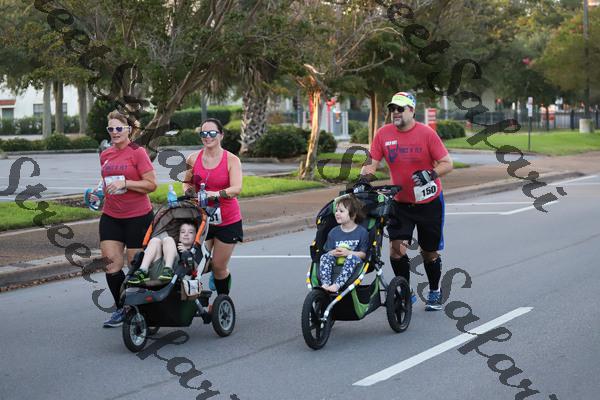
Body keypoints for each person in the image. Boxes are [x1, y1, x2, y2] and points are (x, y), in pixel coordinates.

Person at [359, 91, 453, 311]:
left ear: (411, 110)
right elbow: (372, 162)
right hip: (400, 203)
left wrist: (430, 174)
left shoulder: (426, 133)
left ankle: (434, 290)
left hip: (429, 202)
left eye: (400, 109)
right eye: (393, 109)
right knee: (396, 250)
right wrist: (363, 180)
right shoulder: (383, 134)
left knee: (428, 252)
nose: (395, 112)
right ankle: (405, 291)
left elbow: (447, 163)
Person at [96, 110, 157, 327]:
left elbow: (151, 184)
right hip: (111, 215)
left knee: (135, 266)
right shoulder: (105, 154)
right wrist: (97, 193)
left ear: (128, 130)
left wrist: (126, 183)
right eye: (111, 129)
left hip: (138, 217)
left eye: (119, 128)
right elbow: (106, 183)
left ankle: (143, 310)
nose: (115, 132)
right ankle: (122, 308)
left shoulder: (137, 152)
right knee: (111, 265)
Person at [182, 118, 243, 296]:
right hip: (202, 219)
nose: (207, 137)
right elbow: (186, 183)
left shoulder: (231, 160)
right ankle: (198, 302)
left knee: (218, 266)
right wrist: (189, 193)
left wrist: (214, 194)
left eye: (212, 133)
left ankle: (223, 301)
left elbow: (236, 188)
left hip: (227, 221)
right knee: (196, 264)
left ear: (221, 135)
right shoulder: (193, 159)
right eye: (203, 133)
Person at [319, 195, 369, 293]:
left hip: (354, 263)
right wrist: (333, 252)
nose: (337, 213)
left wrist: (348, 253)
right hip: (336, 261)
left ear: (353, 215)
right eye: (336, 211)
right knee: (325, 257)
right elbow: (328, 250)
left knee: (351, 258)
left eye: (341, 211)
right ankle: (325, 283)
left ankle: (337, 285)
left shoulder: (362, 232)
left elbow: (363, 254)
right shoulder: (333, 232)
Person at [127, 222, 197, 284]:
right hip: (158, 271)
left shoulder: (196, 251)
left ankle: (168, 270)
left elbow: (195, 269)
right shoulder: (172, 246)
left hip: (176, 273)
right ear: (179, 236)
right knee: (155, 240)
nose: (186, 234)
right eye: (183, 232)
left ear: (196, 236)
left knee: (168, 239)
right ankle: (143, 271)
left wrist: (187, 253)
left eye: (190, 232)